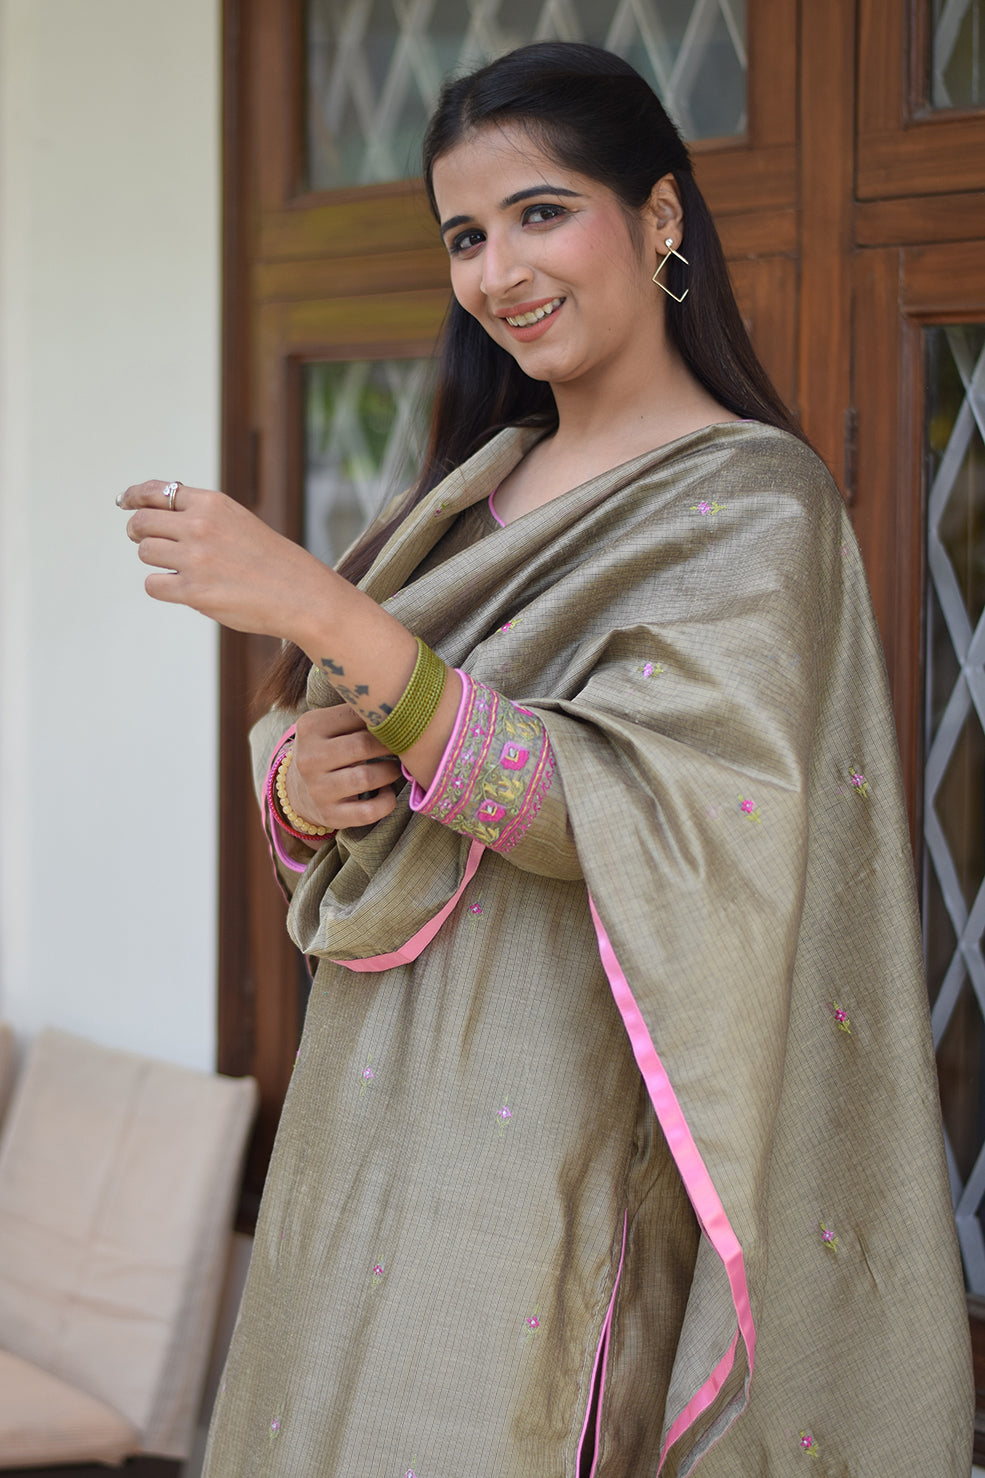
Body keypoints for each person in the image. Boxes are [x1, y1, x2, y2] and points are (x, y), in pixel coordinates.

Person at [119, 42, 971, 1478]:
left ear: (657, 217)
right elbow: (347, 724)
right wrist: (300, 780)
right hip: (370, 1120)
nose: (498, 268)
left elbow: (638, 810)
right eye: (464, 233)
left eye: (540, 212)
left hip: (562, 1145)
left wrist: (318, 604)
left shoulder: (752, 506)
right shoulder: (469, 489)